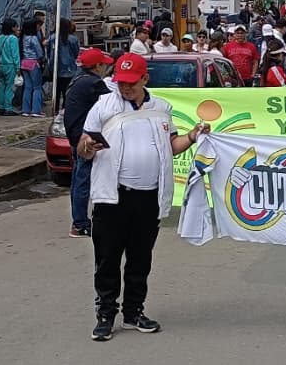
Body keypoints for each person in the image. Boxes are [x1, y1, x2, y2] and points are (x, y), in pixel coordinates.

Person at [78, 52, 210, 341]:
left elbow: (172, 145)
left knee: (140, 258)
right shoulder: (104, 106)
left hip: (149, 197)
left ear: (144, 79)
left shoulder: (161, 108)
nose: (126, 88)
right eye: (121, 83)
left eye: (132, 82)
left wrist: (192, 136)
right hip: (112, 197)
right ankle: (105, 314)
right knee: (107, 258)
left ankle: (133, 312)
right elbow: (83, 146)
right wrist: (87, 148)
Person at [62, 47, 115, 238]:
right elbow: (113, 103)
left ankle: (79, 221)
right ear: (97, 66)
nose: (105, 69)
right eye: (103, 65)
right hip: (85, 139)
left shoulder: (77, 79)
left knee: (78, 181)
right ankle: (80, 224)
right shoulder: (93, 83)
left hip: (75, 136)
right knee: (83, 181)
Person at [48, 17, 81, 112]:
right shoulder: (73, 39)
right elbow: (76, 52)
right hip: (69, 68)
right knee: (67, 90)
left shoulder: (52, 37)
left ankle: (55, 109)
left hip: (56, 68)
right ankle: (65, 108)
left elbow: (49, 52)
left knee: (57, 90)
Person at [20, 19, 46, 117]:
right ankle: (36, 110)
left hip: (24, 63)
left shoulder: (23, 38)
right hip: (34, 63)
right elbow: (40, 53)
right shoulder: (33, 38)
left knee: (27, 87)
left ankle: (25, 109)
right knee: (37, 87)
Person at [0, 19, 20, 116]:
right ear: (12, 28)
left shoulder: (0, 37)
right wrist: (18, 67)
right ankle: (8, 108)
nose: (17, 28)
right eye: (16, 26)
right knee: (10, 87)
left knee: (1, 87)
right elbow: (15, 54)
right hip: (10, 66)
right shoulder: (13, 39)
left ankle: (0, 107)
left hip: (1, 65)